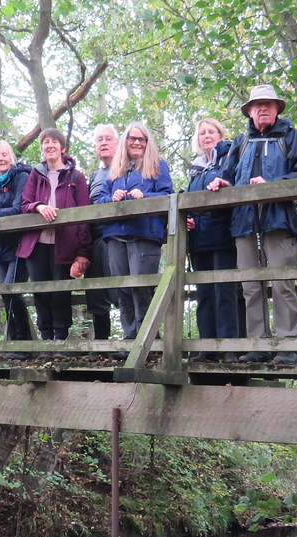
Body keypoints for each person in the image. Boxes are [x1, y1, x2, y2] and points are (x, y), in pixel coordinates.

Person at [208, 84, 297, 366]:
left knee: (282, 283)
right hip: (244, 223)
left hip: (278, 221)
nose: (263, 109)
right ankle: (258, 344)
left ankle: (288, 344)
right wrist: (221, 183)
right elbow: (228, 175)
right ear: (250, 111)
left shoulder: (292, 138)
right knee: (250, 285)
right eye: (257, 105)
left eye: (268, 104)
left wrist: (271, 186)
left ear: (277, 108)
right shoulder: (240, 142)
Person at [98, 122, 173, 346]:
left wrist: (145, 196)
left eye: (142, 139)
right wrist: (113, 198)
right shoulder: (115, 171)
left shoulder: (158, 166)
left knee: (141, 286)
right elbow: (100, 200)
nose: (137, 143)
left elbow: (168, 195)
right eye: (133, 139)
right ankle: (130, 337)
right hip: (116, 235)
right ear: (125, 142)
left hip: (144, 234)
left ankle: (147, 338)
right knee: (123, 288)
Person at [20, 128, 92, 354]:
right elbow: (24, 204)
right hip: (37, 244)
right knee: (40, 291)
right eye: (45, 142)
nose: (49, 145)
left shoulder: (76, 177)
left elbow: (84, 215)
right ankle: (46, 340)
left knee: (61, 292)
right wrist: (38, 206)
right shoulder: (35, 174)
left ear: (63, 148)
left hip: (65, 244)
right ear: (41, 149)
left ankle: (60, 341)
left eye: (54, 142)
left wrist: (83, 252)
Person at [186, 118, 239, 363]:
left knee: (224, 291)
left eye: (211, 132)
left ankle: (229, 348)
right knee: (204, 293)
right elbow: (189, 202)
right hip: (199, 239)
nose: (206, 136)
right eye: (202, 133)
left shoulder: (229, 159)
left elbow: (238, 186)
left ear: (220, 134)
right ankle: (207, 347)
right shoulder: (196, 169)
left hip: (223, 234)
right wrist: (188, 220)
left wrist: (225, 186)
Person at [0, 140, 34, 358]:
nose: (0, 158)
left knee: (12, 290)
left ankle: (24, 345)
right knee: (5, 293)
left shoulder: (21, 176)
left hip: (18, 243)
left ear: (11, 157)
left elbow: (17, 208)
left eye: (4, 155)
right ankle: (17, 344)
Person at [85, 124, 120, 341]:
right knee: (96, 291)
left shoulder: (126, 168)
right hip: (94, 237)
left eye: (108, 139)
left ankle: (142, 340)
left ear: (117, 143)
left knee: (120, 290)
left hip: (116, 235)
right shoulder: (94, 175)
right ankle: (101, 344)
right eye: (99, 140)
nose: (104, 143)